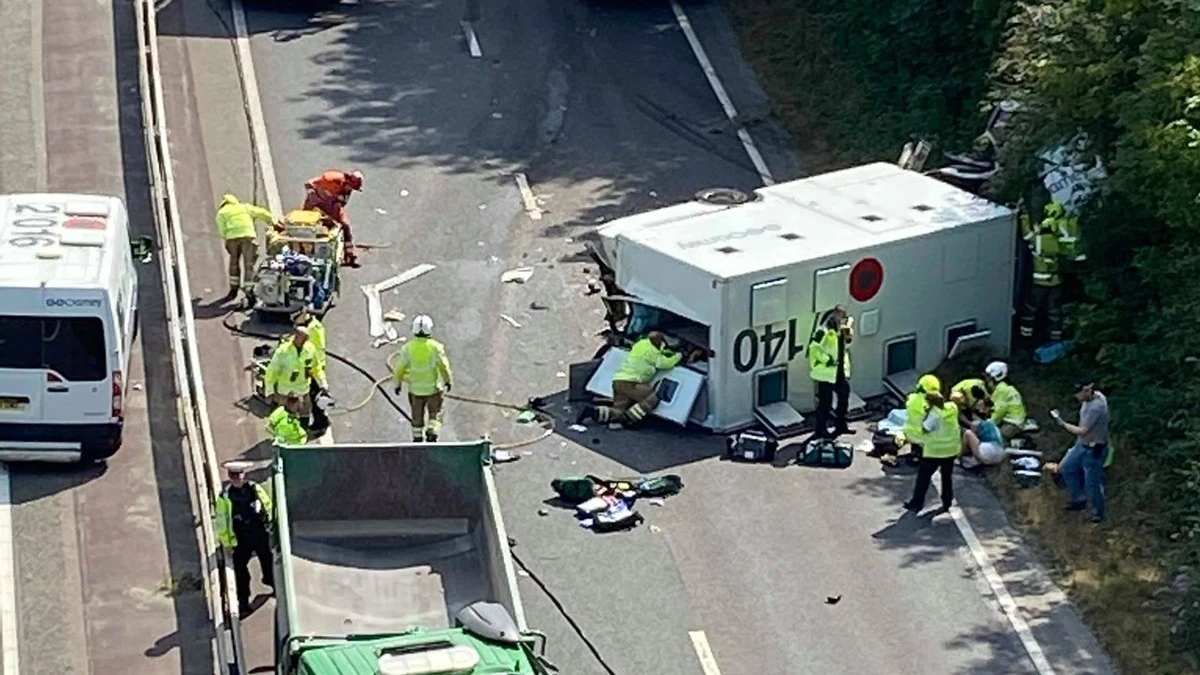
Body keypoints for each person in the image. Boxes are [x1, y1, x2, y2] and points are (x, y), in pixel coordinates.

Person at [578, 331, 683, 427]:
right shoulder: (653, 352)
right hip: (631, 383)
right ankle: (629, 419)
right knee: (651, 397)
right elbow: (665, 363)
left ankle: (593, 412)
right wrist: (679, 355)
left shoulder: (641, 344)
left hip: (618, 381)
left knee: (618, 410)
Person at [215, 461, 274, 618]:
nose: (236, 479)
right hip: (241, 539)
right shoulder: (225, 497)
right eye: (233, 476)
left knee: (268, 561)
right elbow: (221, 521)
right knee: (241, 572)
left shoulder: (254, 489)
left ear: (244, 475)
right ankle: (243, 602)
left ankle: (271, 583)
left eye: (238, 475)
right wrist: (227, 543)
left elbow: (268, 505)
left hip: (260, 533)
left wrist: (270, 524)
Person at [1052, 381, 1110, 523]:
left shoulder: (1097, 406)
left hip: (1094, 448)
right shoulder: (1090, 399)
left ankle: (1098, 513)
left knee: (1092, 482)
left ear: (1088, 390)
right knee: (1066, 468)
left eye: (1080, 393)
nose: (1078, 397)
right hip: (1081, 445)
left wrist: (1062, 423)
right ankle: (1079, 499)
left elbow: (1082, 430)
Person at [392, 315, 454, 442]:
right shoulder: (435, 347)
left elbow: (399, 368)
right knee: (435, 413)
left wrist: (397, 384)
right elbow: (444, 366)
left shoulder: (408, 348)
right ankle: (432, 431)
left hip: (415, 390)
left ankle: (417, 438)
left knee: (416, 416)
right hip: (433, 389)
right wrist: (448, 381)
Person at [263, 325, 329, 436]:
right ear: (296, 336)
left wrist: (323, 383)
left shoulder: (310, 349)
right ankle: (281, 436)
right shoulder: (283, 352)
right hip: (285, 391)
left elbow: (316, 368)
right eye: (303, 337)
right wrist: (269, 391)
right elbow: (271, 372)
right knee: (283, 415)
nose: (305, 340)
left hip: (302, 389)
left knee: (305, 413)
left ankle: (301, 434)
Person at [904, 390, 962, 513]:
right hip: (951, 450)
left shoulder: (934, 415)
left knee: (923, 478)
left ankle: (917, 503)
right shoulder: (952, 408)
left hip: (935, 452)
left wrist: (925, 415)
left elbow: (926, 429)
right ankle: (947, 502)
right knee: (947, 477)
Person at [215, 194, 275, 300]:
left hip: (232, 239)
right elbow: (262, 213)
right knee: (249, 265)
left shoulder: (221, 213)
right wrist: (271, 221)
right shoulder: (245, 207)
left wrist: (227, 238)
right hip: (248, 237)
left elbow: (222, 230)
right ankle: (249, 290)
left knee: (234, 263)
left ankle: (234, 289)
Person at [1019, 203, 1065, 341]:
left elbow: (1026, 234)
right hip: (1056, 282)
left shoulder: (1038, 240)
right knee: (1054, 311)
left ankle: (1025, 337)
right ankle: (1055, 337)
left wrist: (1024, 216)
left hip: (1039, 283)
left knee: (1030, 309)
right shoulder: (1059, 241)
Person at [808, 306, 854, 438]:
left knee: (844, 399)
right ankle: (820, 430)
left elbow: (845, 345)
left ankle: (841, 425)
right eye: (841, 317)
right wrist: (827, 360)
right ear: (835, 315)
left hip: (839, 372)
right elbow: (814, 348)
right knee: (825, 404)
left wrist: (848, 336)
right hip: (826, 373)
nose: (842, 320)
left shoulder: (842, 330)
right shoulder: (823, 330)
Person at [303, 170, 363, 267]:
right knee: (305, 224)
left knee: (345, 225)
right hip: (316, 203)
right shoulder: (331, 178)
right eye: (350, 186)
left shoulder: (347, 192)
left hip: (331, 206)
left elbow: (341, 204)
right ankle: (302, 248)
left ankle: (350, 253)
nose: (350, 189)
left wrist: (333, 214)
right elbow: (309, 183)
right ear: (346, 180)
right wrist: (313, 195)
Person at [894, 373, 942, 467]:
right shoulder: (931, 405)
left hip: (909, 433)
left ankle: (915, 452)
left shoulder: (911, 398)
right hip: (925, 437)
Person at [983, 361, 1027, 441]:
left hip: (1013, 422)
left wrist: (988, 424)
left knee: (994, 438)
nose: (986, 379)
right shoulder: (1004, 387)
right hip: (1013, 419)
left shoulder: (1002, 390)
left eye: (988, 377)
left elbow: (999, 410)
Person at [960, 399, 1006, 469]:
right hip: (1000, 454)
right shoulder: (992, 424)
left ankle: (960, 456)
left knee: (968, 433)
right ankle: (977, 459)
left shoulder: (977, 423)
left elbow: (971, 434)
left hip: (989, 452)